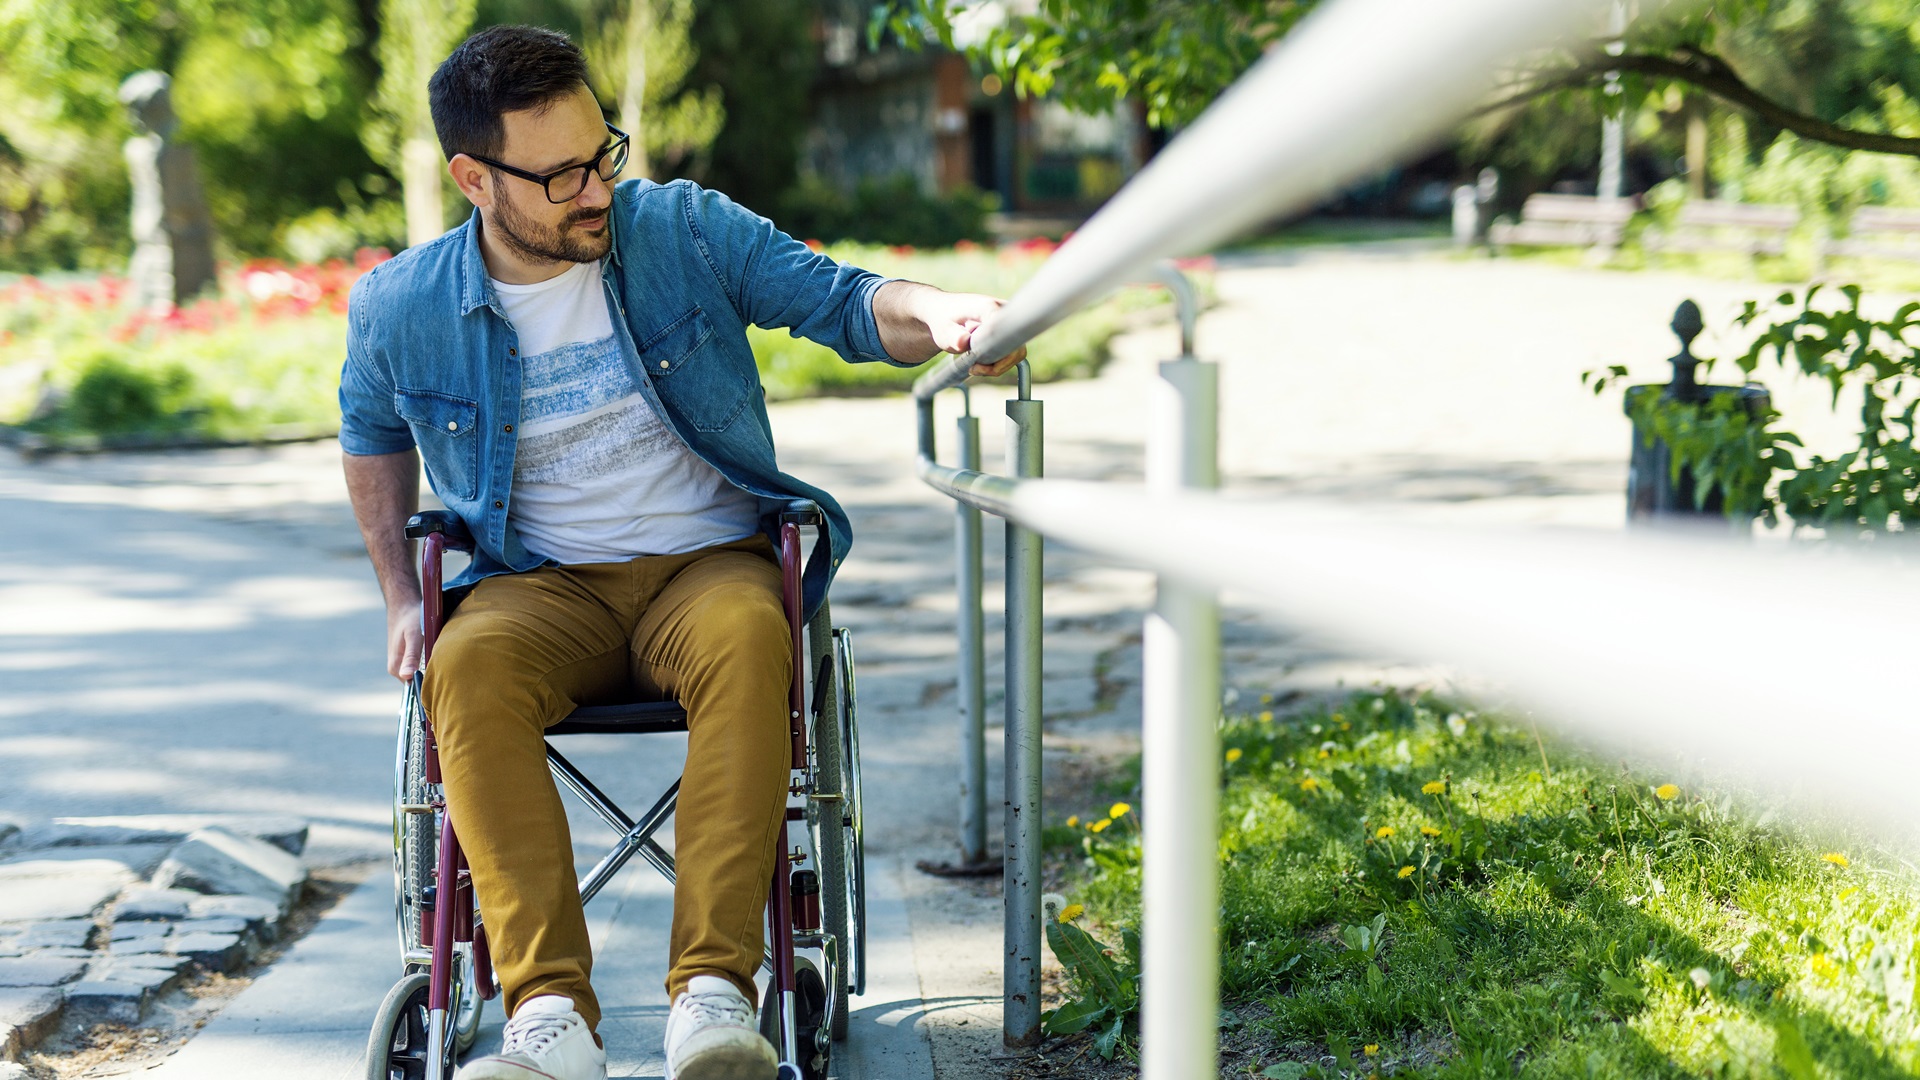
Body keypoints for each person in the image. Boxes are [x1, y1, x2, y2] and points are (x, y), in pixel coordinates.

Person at [338, 24, 1023, 1080]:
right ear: (473, 177)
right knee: (461, 666)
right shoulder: (401, 306)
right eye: (559, 174)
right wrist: (398, 595)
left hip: (706, 569)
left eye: (599, 153)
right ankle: (549, 1022)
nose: (594, 189)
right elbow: (371, 435)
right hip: (538, 583)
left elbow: (839, 299)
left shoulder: (681, 231)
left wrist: (940, 313)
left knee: (757, 633)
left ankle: (713, 1001)